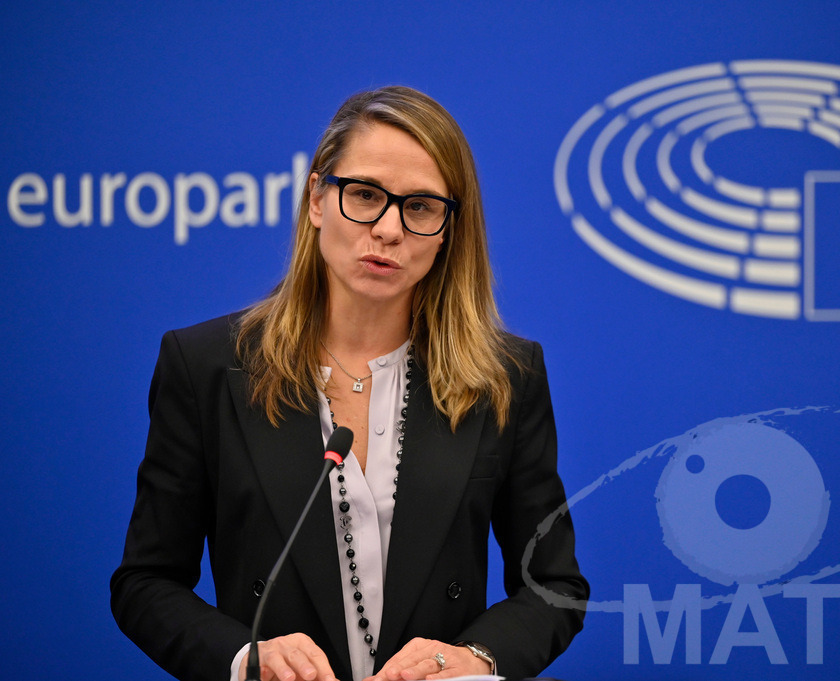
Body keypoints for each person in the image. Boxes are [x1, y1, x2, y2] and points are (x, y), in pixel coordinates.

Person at [110, 86, 588, 681]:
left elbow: (554, 584)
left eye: (419, 206)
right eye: (364, 195)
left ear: (448, 229)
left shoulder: (504, 377)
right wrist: (241, 658)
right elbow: (145, 583)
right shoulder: (205, 365)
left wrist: (475, 659)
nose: (388, 230)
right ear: (316, 198)